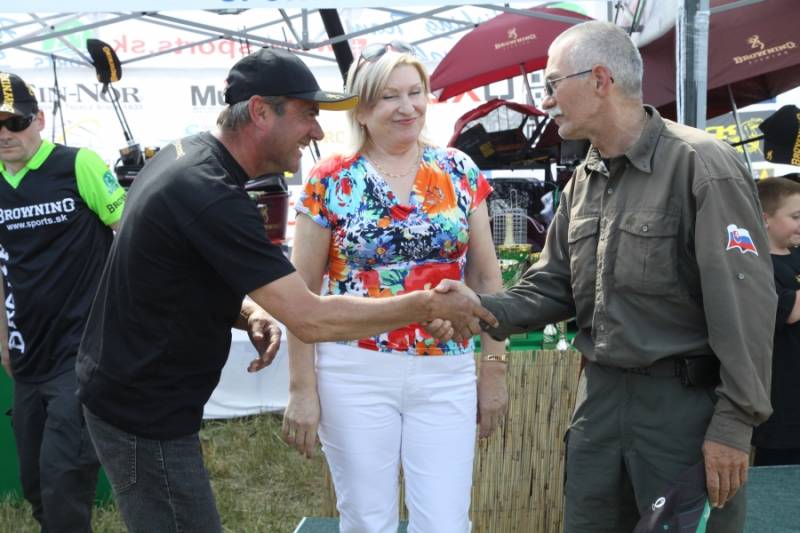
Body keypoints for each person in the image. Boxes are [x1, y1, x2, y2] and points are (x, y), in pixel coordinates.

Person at [74, 47, 495, 533]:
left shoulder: (185, 158)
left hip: (138, 397)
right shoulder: (210, 194)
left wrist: (248, 311)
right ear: (260, 112)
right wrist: (424, 304)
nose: (316, 131)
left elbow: (172, 271)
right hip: (142, 410)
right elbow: (310, 317)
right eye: (308, 114)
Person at [433, 21, 776, 532]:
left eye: (552, 83)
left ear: (599, 80)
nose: (546, 101)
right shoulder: (583, 181)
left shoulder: (701, 165)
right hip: (599, 406)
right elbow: (553, 284)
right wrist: (480, 308)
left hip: (683, 412)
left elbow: (746, 305)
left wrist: (734, 422)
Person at [281, 42, 507, 533]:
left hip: (445, 368)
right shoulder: (330, 179)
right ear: (361, 110)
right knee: (366, 520)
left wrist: (493, 369)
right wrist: (302, 389)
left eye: (415, 92)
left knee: (446, 522)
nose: (407, 107)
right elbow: (301, 295)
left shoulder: (459, 170)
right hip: (353, 369)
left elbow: (487, 279)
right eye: (389, 96)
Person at [0, 71, 126, 532]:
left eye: (14, 122)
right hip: (27, 354)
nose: (5, 134)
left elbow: (131, 235)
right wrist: (3, 341)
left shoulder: (78, 164)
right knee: (36, 485)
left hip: (82, 351)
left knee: (63, 484)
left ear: (39, 119)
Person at [752, 177, 800, 466]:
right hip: (782, 402)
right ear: (765, 219)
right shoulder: (756, 264)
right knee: (780, 475)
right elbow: (789, 310)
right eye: (796, 217)